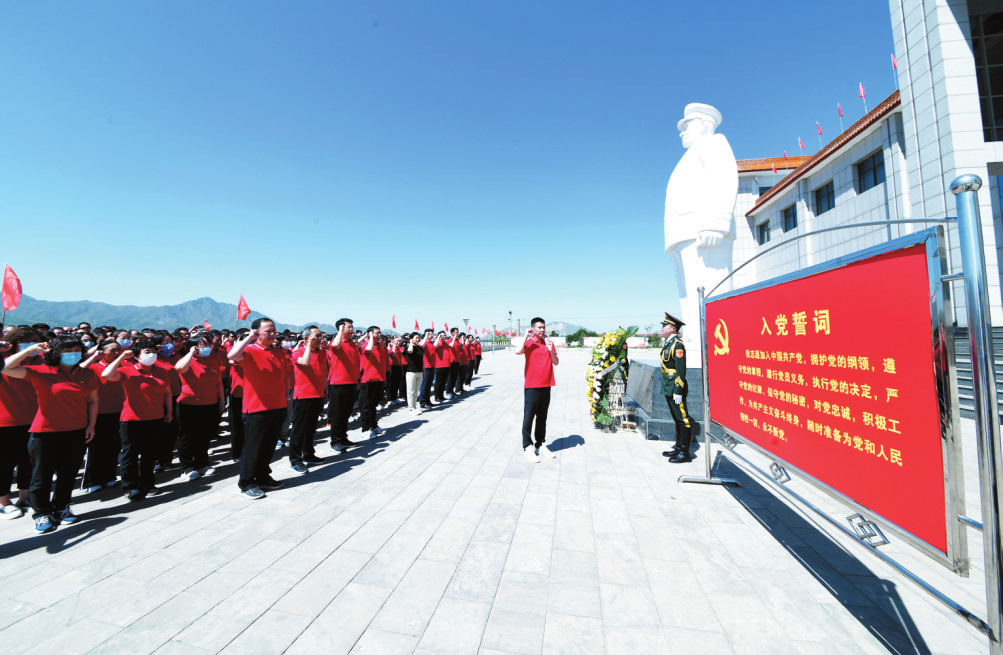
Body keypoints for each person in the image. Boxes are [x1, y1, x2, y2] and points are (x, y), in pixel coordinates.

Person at [663, 103, 738, 363]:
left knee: (709, 290)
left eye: (687, 126)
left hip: (705, 232)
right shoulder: (689, 155)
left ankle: (716, 352)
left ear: (704, 124)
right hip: (683, 236)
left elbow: (725, 178)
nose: (682, 132)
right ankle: (695, 345)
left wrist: (718, 222)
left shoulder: (713, 143)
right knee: (689, 296)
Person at [2, 336, 99, 533]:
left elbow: (93, 400)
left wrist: (91, 425)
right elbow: (5, 368)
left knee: (68, 473)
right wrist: (30, 351)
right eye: (66, 350)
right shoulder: (41, 372)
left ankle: (62, 507)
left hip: (77, 430)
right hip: (45, 433)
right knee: (41, 476)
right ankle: (41, 513)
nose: (72, 353)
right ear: (55, 353)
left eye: (75, 349)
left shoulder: (87, 374)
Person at [227, 318, 291, 499]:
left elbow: (285, 376)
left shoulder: (279, 352)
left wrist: (285, 398)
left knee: (269, 446)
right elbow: (232, 356)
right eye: (267, 331)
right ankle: (246, 482)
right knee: (253, 447)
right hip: (256, 407)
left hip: (278, 405)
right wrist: (248, 338)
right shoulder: (249, 350)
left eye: (274, 331)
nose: (272, 334)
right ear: (256, 332)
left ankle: (263, 477)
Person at [100, 340, 172, 500]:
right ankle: (130, 486)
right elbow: (106, 375)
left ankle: (148, 483)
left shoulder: (161, 371)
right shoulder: (127, 370)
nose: (151, 354)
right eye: (147, 351)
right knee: (129, 454)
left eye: (153, 351)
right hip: (132, 419)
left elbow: (167, 392)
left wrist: (169, 412)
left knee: (149, 453)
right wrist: (121, 358)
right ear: (137, 356)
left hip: (155, 417)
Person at [0, 327, 44, 519]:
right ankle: (4, 501)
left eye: (36, 339)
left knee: (29, 461)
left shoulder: (39, 361)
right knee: (4, 463)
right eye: (28, 340)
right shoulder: (6, 359)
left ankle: (24, 497)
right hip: (6, 420)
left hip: (34, 419)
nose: (33, 343)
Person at [175, 332, 225, 481]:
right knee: (187, 438)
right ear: (193, 347)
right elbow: (179, 368)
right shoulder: (187, 360)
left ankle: (202, 463)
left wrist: (221, 400)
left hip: (210, 403)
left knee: (204, 436)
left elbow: (219, 382)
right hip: (189, 404)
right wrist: (191, 353)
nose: (207, 347)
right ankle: (187, 467)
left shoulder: (212, 361)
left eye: (207, 344)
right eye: (202, 345)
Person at [79, 338, 126, 492]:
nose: (116, 352)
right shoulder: (93, 367)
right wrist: (93, 357)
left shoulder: (123, 366)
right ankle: (93, 480)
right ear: (102, 351)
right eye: (112, 350)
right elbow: (78, 370)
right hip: (98, 413)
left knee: (113, 446)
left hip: (119, 411)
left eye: (118, 349)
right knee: (96, 448)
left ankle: (110, 476)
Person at [516, 317, 559, 463]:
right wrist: (525, 336)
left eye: (543, 327)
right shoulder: (528, 342)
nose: (542, 330)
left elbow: (556, 362)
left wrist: (549, 348)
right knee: (529, 417)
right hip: (532, 385)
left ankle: (540, 444)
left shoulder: (549, 343)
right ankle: (527, 447)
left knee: (542, 417)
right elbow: (517, 351)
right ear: (533, 328)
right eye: (539, 327)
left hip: (546, 384)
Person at [289, 326, 328, 474]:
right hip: (303, 396)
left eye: (320, 336)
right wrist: (308, 346)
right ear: (306, 339)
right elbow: (304, 363)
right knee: (299, 430)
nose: (320, 339)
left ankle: (309, 454)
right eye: (316, 336)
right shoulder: (298, 352)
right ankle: (295, 460)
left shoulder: (322, 353)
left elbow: (323, 373)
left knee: (311, 428)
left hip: (317, 394)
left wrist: (325, 391)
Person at [660, 312, 694, 463]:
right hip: (668, 385)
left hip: (675, 386)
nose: (662, 327)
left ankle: (685, 453)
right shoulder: (669, 343)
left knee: (683, 419)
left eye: (665, 325)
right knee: (676, 418)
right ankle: (678, 447)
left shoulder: (678, 345)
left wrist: (678, 390)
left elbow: (681, 370)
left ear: (673, 328)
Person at [327, 318, 360, 453]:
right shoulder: (336, 342)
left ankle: (343, 438)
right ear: (341, 328)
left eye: (352, 327)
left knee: (346, 413)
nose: (351, 330)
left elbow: (355, 363)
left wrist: (357, 380)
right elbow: (335, 346)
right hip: (338, 383)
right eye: (349, 327)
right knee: (337, 415)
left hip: (351, 382)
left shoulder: (352, 344)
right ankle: (335, 441)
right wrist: (340, 332)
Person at [358, 326, 387, 439]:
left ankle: (373, 426)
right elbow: (369, 349)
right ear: (370, 334)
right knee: (366, 406)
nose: (379, 335)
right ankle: (365, 429)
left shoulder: (381, 346)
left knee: (373, 405)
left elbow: (382, 364)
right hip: (368, 380)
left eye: (380, 333)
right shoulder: (366, 345)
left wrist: (384, 379)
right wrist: (369, 337)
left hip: (379, 379)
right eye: (377, 333)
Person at [403, 331, 425, 414]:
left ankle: (415, 406)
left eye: (419, 338)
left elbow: (421, 360)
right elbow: (410, 351)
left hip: (419, 371)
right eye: (416, 338)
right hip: (411, 372)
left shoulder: (420, 348)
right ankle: (411, 408)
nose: (418, 339)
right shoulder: (408, 346)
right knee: (411, 391)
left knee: (416, 391)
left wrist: (423, 371)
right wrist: (411, 343)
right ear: (411, 339)